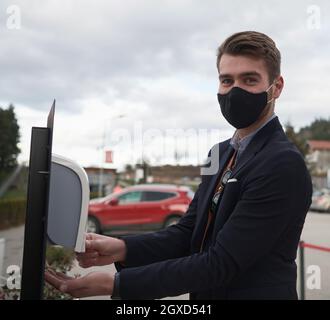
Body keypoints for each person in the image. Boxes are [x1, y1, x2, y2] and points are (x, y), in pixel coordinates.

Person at [45, 31, 312, 300]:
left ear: (276, 87)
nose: (235, 91)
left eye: (249, 80)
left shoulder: (282, 164)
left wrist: (116, 285)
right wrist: (122, 248)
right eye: (227, 80)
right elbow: (189, 233)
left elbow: (221, 263)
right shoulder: (219, 153)